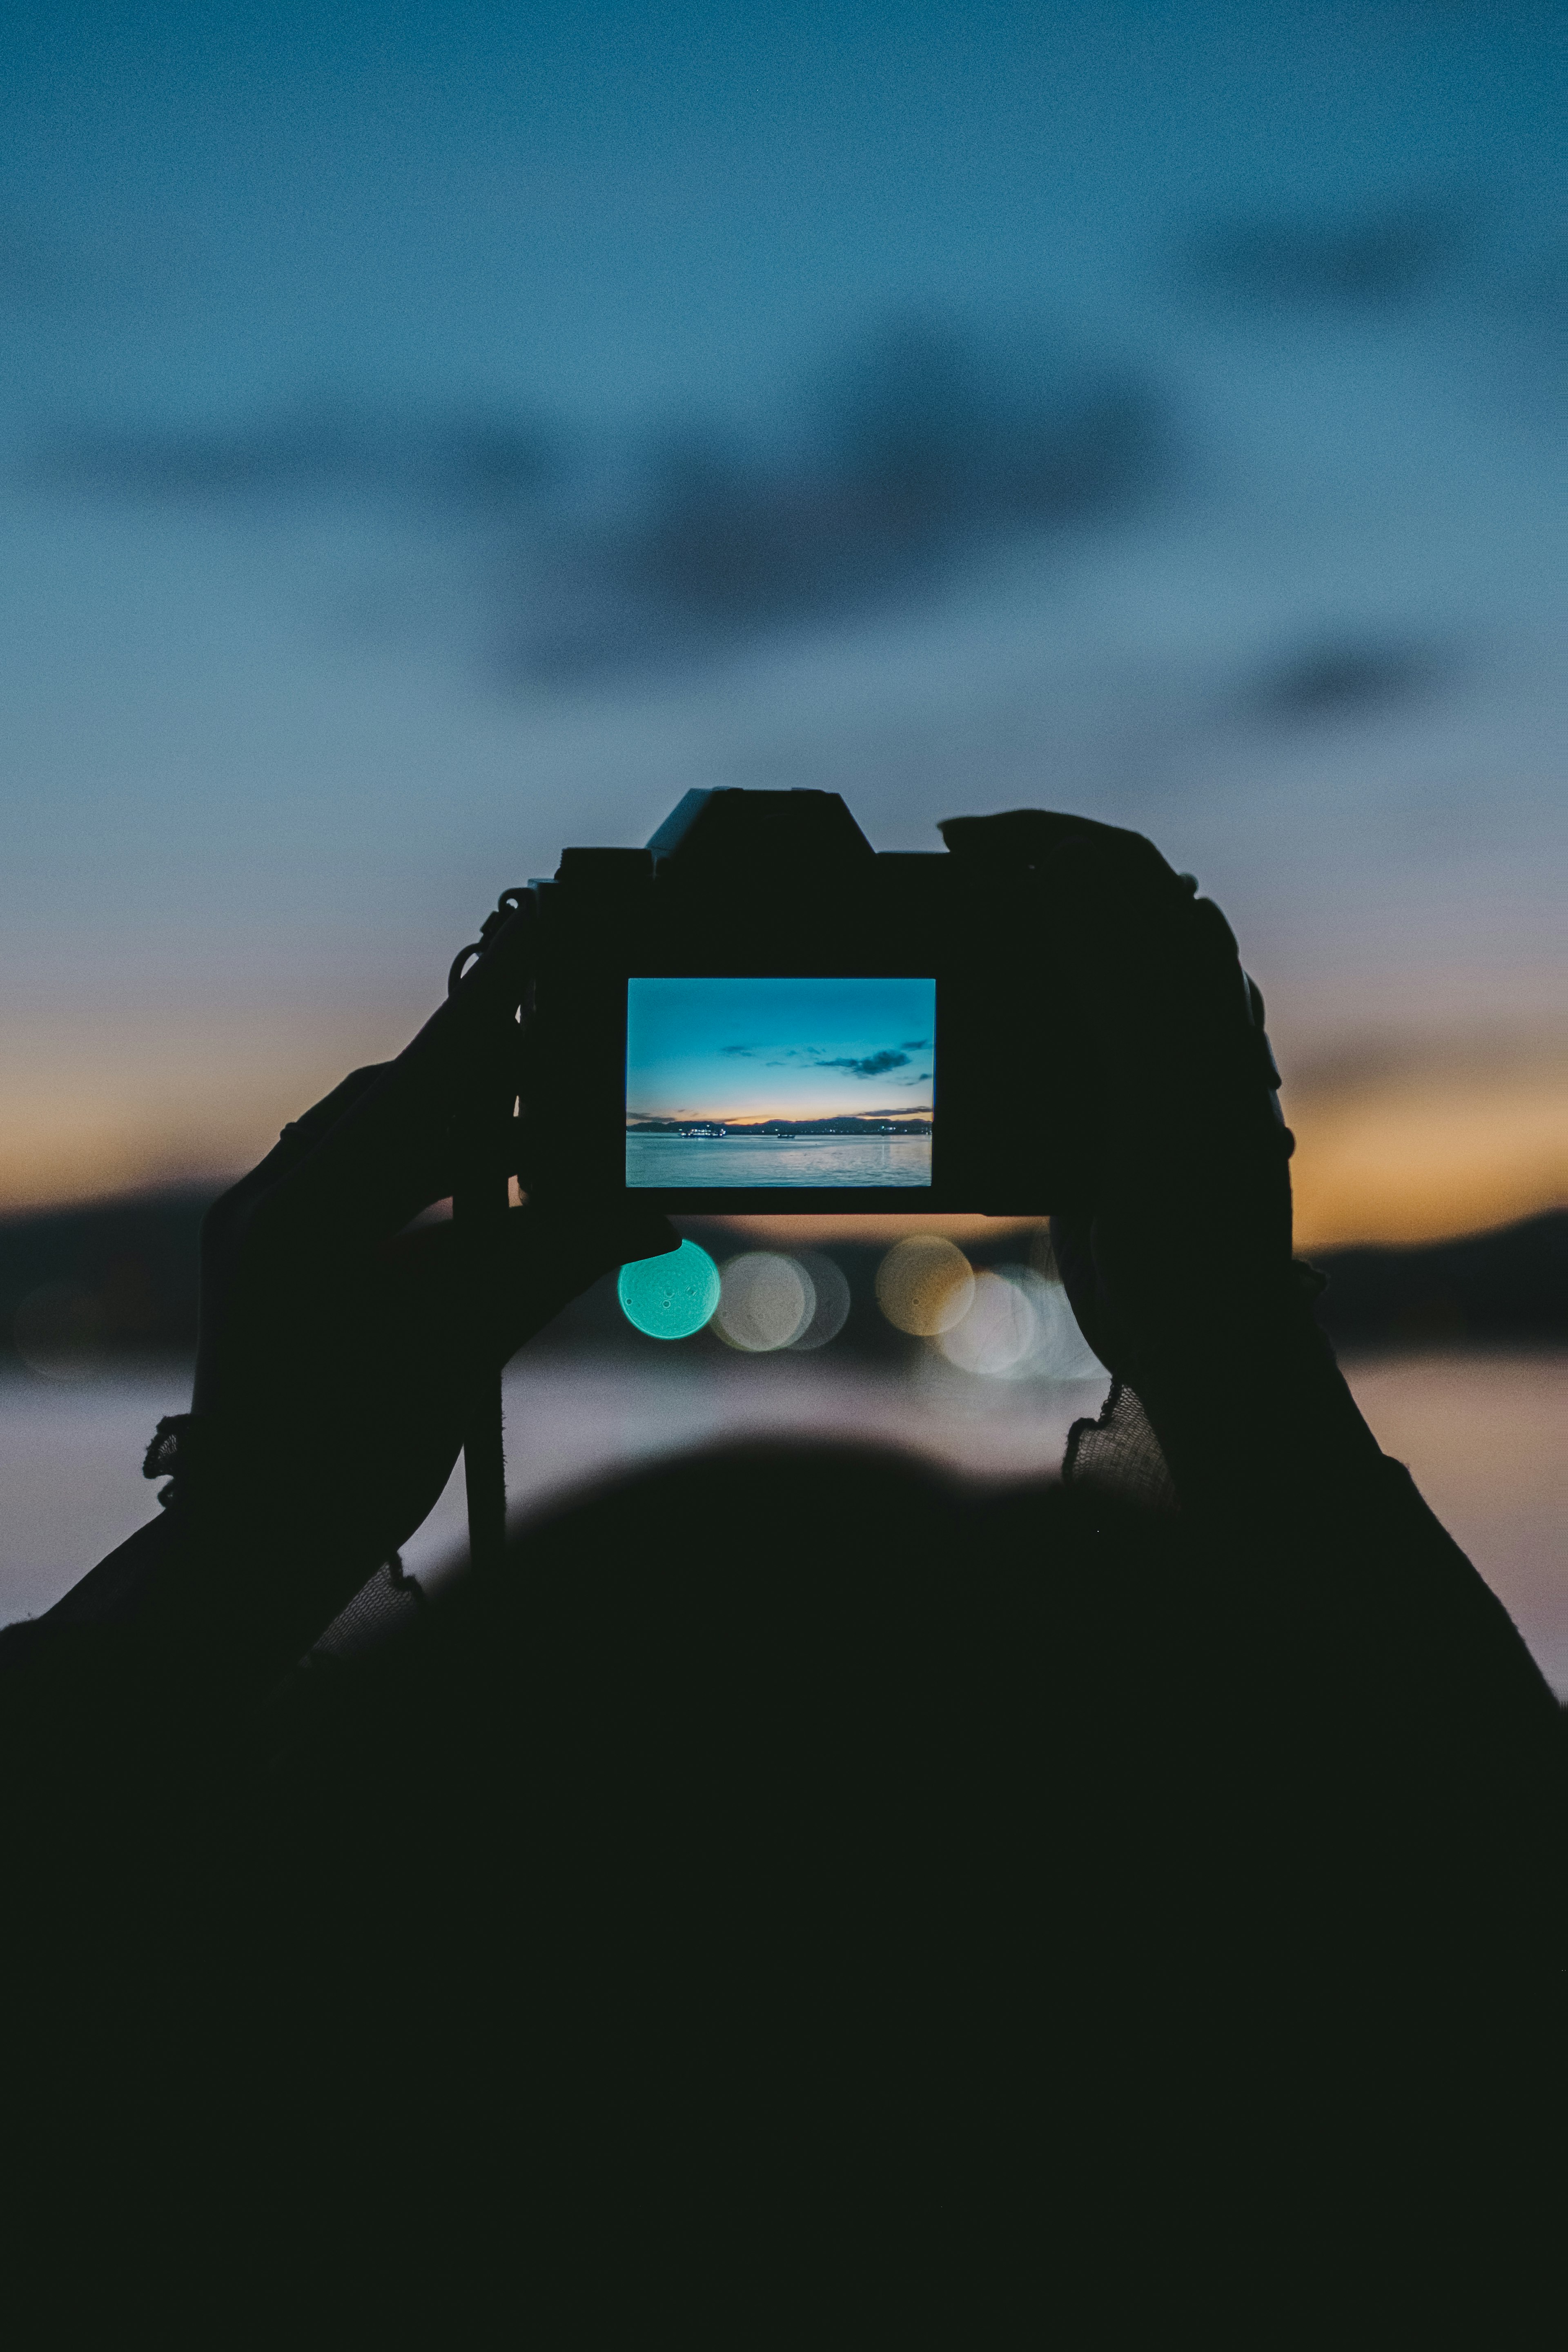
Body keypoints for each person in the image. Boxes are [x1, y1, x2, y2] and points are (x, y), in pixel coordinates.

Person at [2, 815, 1560, 2337]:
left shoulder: (206, 2183)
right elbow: (1512, 1960)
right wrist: (1246, 1379)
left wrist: (241, 1563)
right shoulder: (1383, 2190)